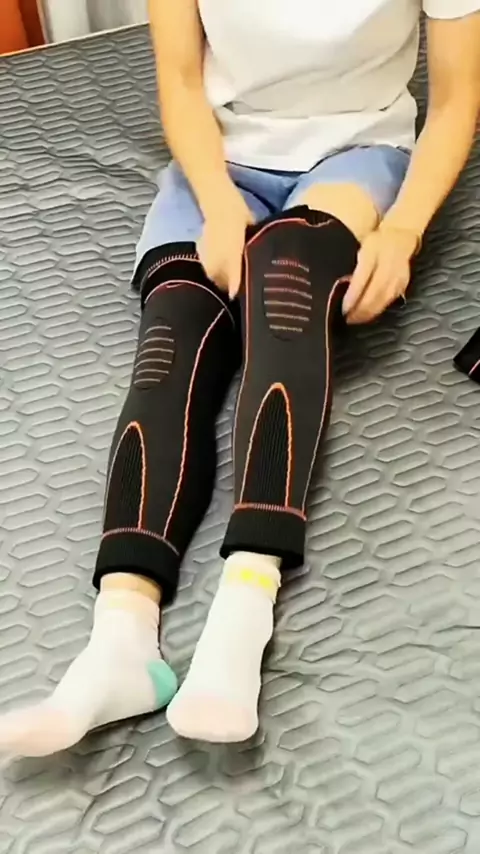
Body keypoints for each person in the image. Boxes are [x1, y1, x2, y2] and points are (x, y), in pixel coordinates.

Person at [0, 0, 479, 757]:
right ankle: (121, 639)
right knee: (172, 340)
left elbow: (455, 102)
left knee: (284, 281)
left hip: (356, 152)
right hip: (218, 161)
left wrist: (401, 231)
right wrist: (220, 204)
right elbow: (181, 81)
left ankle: (244, 609)